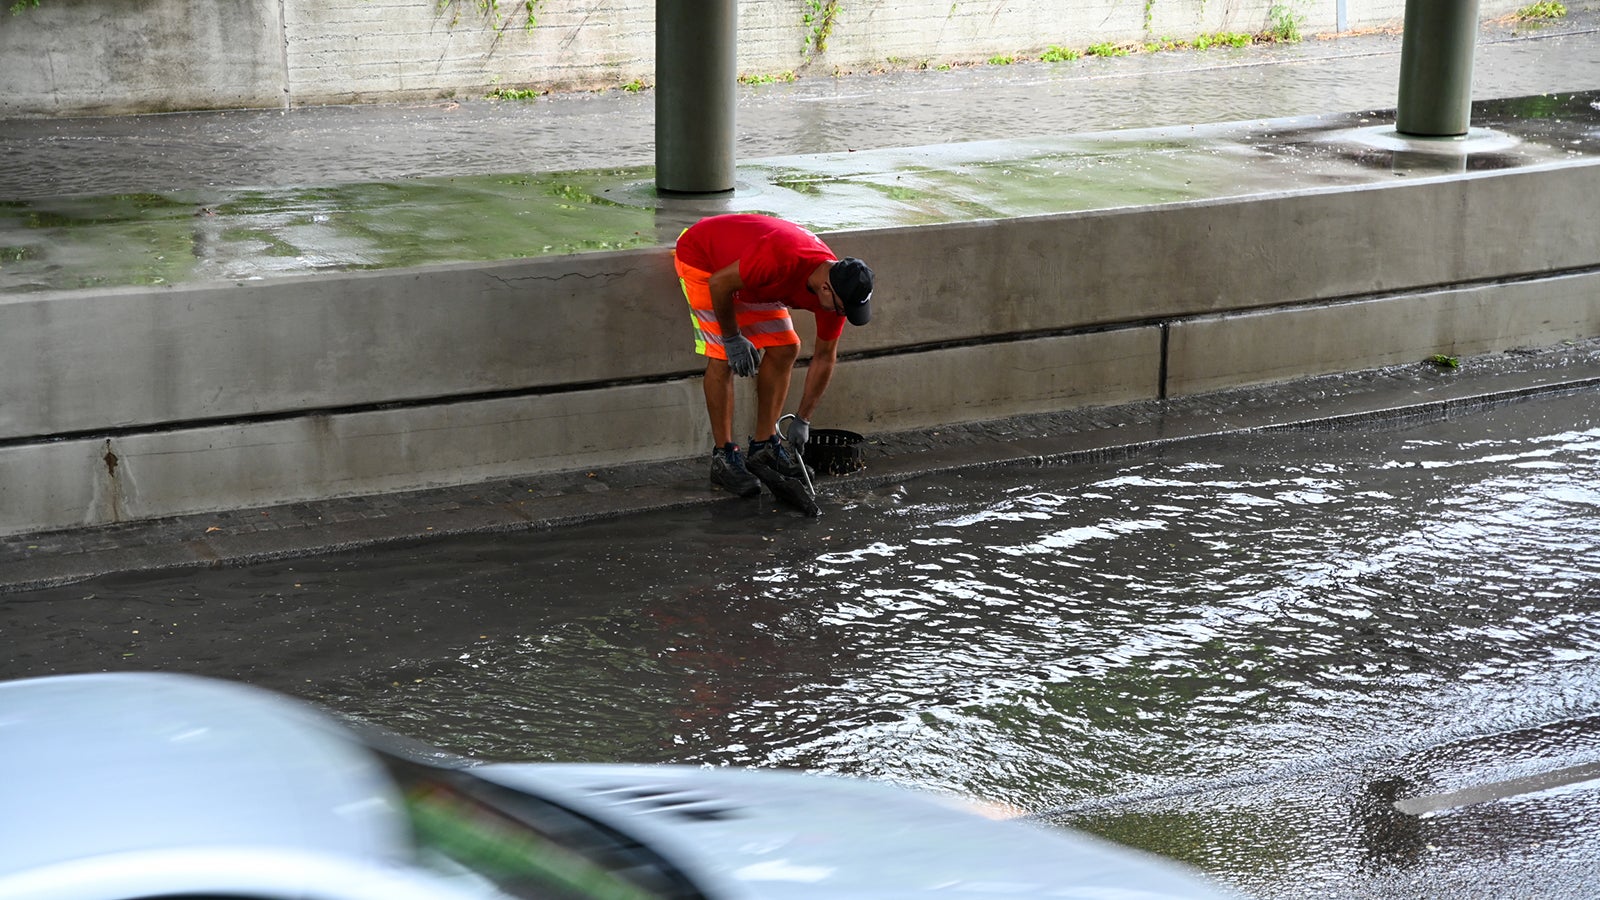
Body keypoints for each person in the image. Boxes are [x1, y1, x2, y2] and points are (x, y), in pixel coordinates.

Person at [673, 213, 874, 497]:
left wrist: (803, 419)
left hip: (750, 278)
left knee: (786, 347)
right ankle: (723, 458)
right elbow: (720, 283)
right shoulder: (780, 259)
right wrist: (731, 338)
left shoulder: (837, 293)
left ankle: (764, 446)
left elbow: (825, 356)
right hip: (704, 262)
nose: (842, 315)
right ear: (826, 289)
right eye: (842, 309)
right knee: (722, 357)